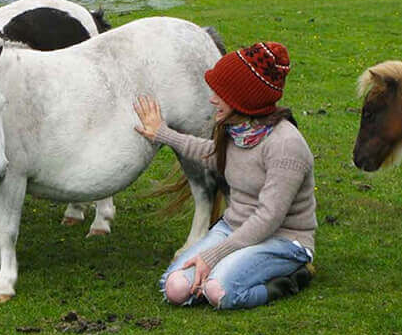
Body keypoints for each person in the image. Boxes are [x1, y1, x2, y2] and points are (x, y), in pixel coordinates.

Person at [132, 40, 316, 311]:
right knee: (175, 288)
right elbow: (211, 154)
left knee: (219, 291)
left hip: (284, 239)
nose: (212, 98)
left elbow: (269, 218)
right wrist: (162, 133)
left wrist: (213, 255)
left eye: (221, 92)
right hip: (234, 228)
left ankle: (292, 278)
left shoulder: (286, 146)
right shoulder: (237, 131)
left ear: (244, 99)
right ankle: (230, 268)